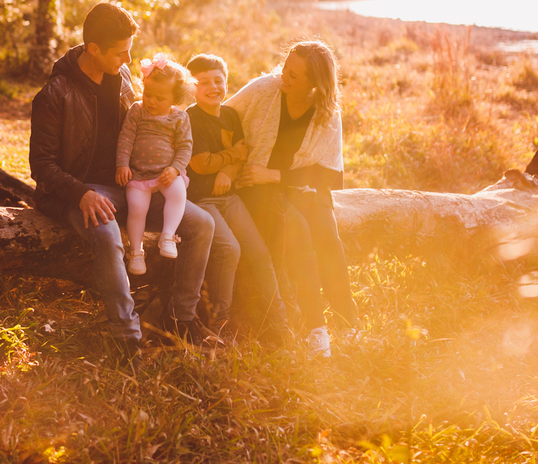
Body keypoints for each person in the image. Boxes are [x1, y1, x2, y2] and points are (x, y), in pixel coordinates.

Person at [28, 2, 218, 361]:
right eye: (121, 52)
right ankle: (129, 340)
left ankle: (181, 319)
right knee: (108, 234)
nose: (128, 60)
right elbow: (42, 166)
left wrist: (169, 166)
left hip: (131, 185)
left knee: (201, 224)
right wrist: (81, 194)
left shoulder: (126, 80)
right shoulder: (55, 94)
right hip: (81, 190)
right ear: (94, 49)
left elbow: (144, 127)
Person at [228, 40, 358, 357]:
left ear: (315, 84)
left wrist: (276, 175)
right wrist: (231, 159)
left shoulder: (327, 113)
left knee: (327, 235)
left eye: (294, 76)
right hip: (254, 185)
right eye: (285, 68)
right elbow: (222, 116)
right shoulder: (264, 89)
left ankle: (348, 321)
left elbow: (328, 175)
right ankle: (317, 329)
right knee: (297, 230)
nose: (284, 77)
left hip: (295, 184)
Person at [186, 54, 290, 343]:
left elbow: (241, 154)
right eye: (203, 82)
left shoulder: (230, 115)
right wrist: (231, 159)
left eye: (218, 81)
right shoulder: (190, 118)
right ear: (191, 86)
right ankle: (220, 323)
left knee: (259, 252)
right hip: (201, 199)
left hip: (229, 196)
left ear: (226, 82)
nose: (213, 87)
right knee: (229, 249)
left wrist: (228, 173)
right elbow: (201, 164)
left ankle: (279, 321)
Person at [116, 53, 194, 275]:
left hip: (165, 175)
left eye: (160, 98)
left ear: (174, 99)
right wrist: (122, 164)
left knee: (178, 193)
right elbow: (126, 138)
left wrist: (175, 168)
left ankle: (168, 236)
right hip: (138, 175)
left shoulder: (179, 118)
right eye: (148, 94)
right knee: (137, 209)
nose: (151, 101)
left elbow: (185, 147)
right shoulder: (137, 111)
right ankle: (136, 252)